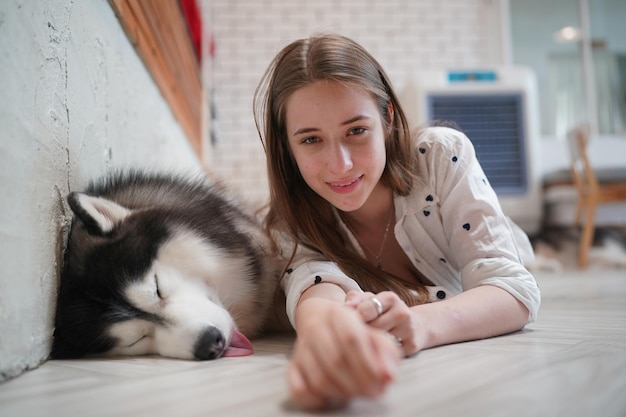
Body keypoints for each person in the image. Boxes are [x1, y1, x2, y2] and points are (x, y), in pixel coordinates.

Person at [253, 33, 541, 410]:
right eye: (310, 140)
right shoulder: (288, 224)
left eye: (356, 131)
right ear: (286, 146)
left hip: (506, 247)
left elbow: (512, 289)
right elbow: (315, 291)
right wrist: (322, 335)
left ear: (387, 118)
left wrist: (419, 324)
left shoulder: (440, 155)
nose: (340, 165)